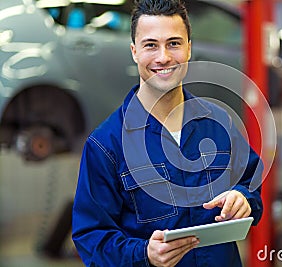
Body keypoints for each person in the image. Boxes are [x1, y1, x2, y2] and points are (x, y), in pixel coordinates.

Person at [72, 0, 264, 266]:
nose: (163, 57)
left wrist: (244, 198)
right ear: (134, 52)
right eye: (151, 45)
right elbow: (91, 238)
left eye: (174, 43)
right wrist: (144, 254)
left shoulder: (218, 122)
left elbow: (250, 180)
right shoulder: (106, 145)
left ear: (188, 49)